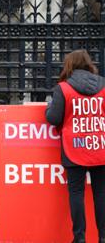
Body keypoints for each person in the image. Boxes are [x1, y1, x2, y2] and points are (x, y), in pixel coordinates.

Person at [46, 49, 105, 243]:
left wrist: (49, 104)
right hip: (99, 146)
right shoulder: (103, 85)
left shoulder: (63, 89)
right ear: (88, 64)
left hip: (74, 149)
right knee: (101, 193)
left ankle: (79, 238)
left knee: (76, 193)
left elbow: (53, 118)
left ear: (69, 65)